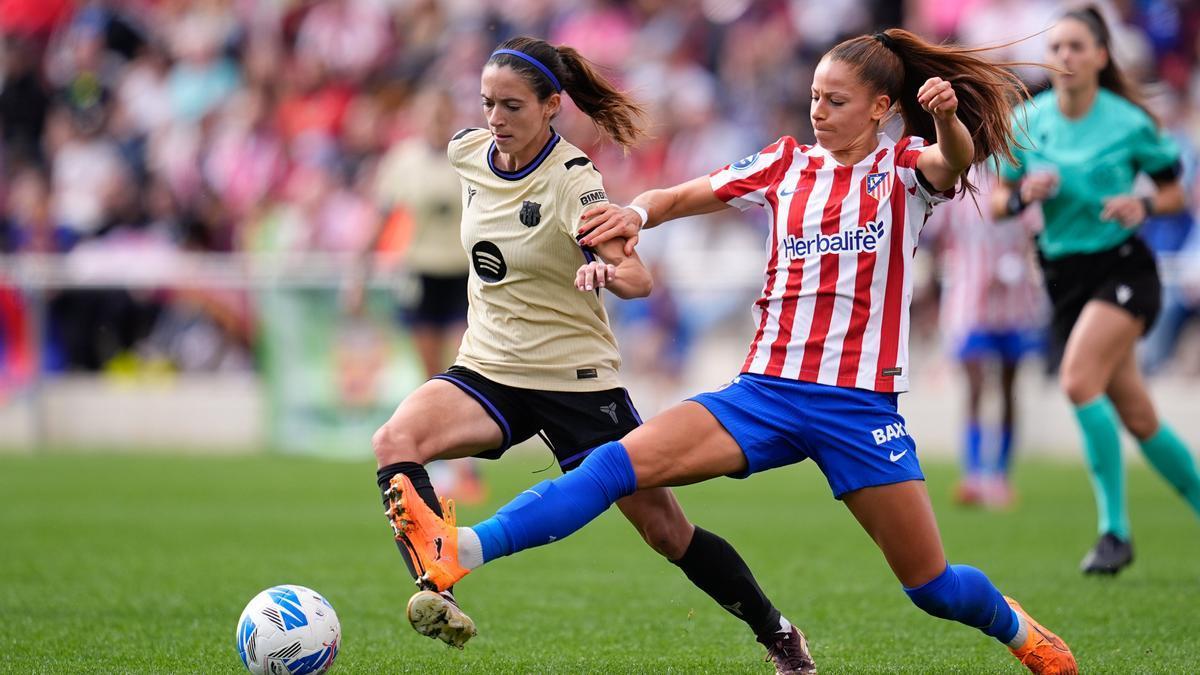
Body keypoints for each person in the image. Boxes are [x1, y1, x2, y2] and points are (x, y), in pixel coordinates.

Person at [389, 28, 1077, 675]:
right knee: (612, 466)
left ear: (880, 109)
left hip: (858, 409)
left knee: (933, 587)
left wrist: (950, 118)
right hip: (764, 394)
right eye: (813, 96)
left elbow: (952, 158)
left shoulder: (902, 172)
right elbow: (686, 193)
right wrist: (636, 214)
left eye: (835, 101)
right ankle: (464, 548)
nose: (818, 111)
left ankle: (1023, 632)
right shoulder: (785, 164)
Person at [372, 37, 814, 674]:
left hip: (576, 380)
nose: (496, 119)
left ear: (552, 106)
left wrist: (608, 275)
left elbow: (638, 279)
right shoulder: (466, 152)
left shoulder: (574, 182)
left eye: (513, 107)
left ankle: (777, 634)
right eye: (488, 103)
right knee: (395, 440)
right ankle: (437, 589)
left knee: (667, 533)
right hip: (489, 368)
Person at [994, 6, 1200, 575]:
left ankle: (1115, 532)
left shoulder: (1129, 121)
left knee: (1079, 379)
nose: (1064, 56)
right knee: (1137, 414)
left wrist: (1143, 204)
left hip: (1124, 269)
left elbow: (1175, 195)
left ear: (1101, 56)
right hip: (1064, 278)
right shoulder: (1026, 121)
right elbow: (995, 203)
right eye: (1056, 46)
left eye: (1076, 46)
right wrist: (1023, 195)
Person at [366, 86, 484, 503]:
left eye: (441, 112)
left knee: (460, 368)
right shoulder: (403, 161)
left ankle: (462, 464)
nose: (435, 121)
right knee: (430, 372)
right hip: (420, 273)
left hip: (460, 272)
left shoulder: (467, 157)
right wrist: (360, 270)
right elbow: (382, 217)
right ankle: (439, 459)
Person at [923, 164, 1045, 509]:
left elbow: (1035, 234)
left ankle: (1000, 475)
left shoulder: (1017, 177)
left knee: (1009, 386)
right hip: (968, 300)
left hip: (1014, 299)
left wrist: (1022, 265)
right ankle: (975, 474)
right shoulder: (961, 180)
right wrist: (933, 292)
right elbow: (937, 237)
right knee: (976, 384)